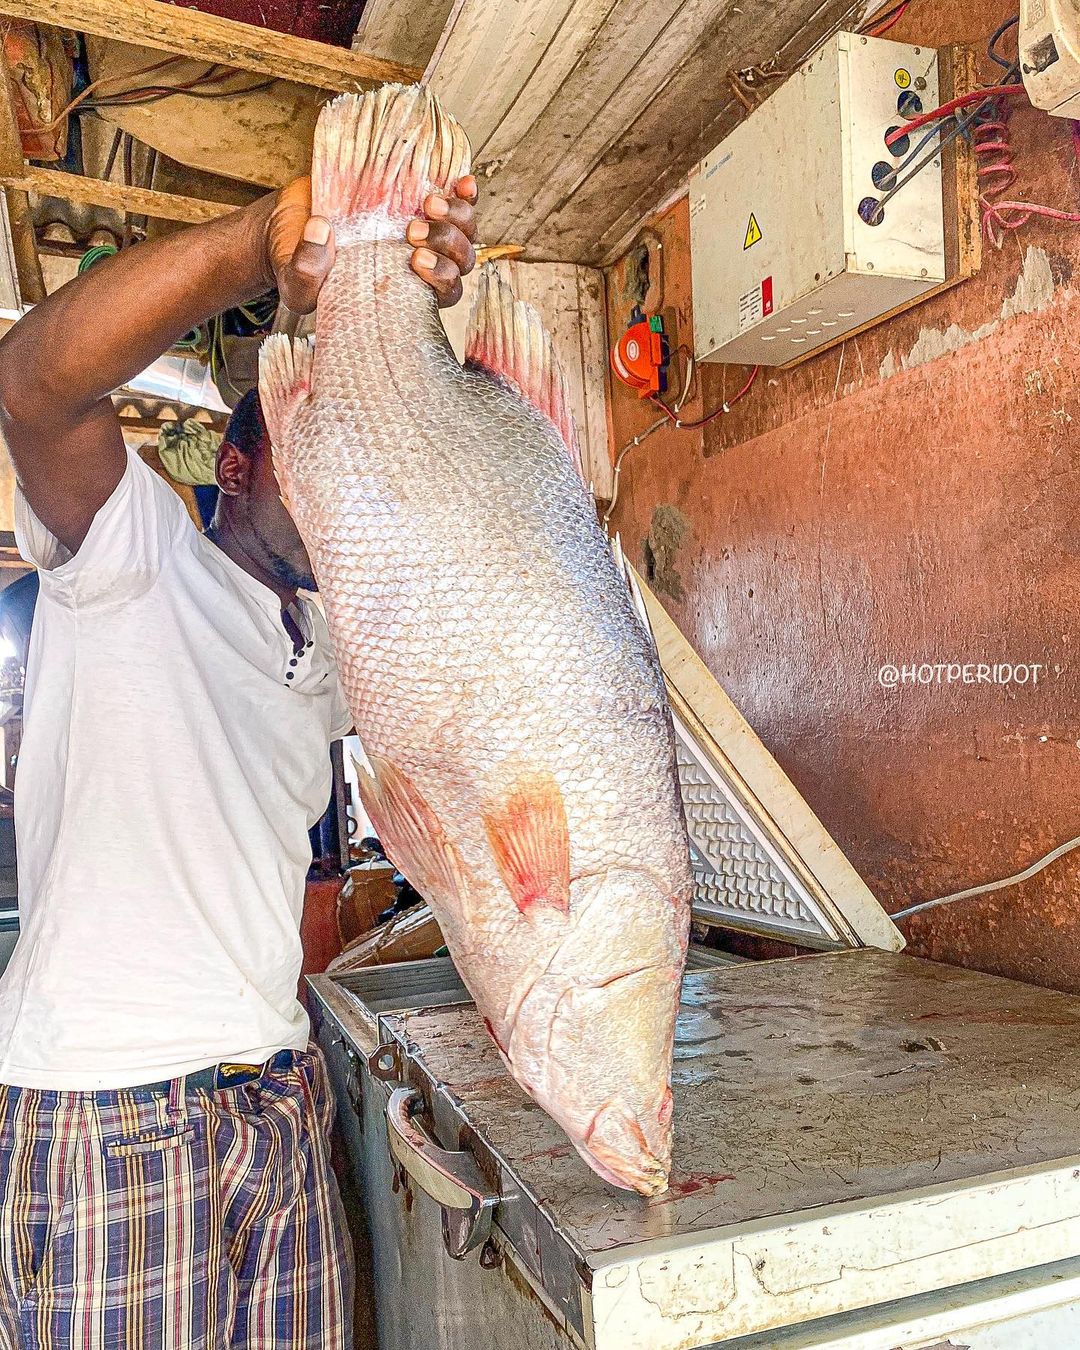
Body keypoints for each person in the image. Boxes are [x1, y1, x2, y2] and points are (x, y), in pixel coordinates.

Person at [0, 171, 477, 1349]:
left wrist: (407, 316)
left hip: (275, 1085)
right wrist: (261, 248)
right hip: (110, 1106)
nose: (345, 497)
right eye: (314, 461)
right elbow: (31, 380)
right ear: (239, 470)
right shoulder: (134, 552)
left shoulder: (319, 644)